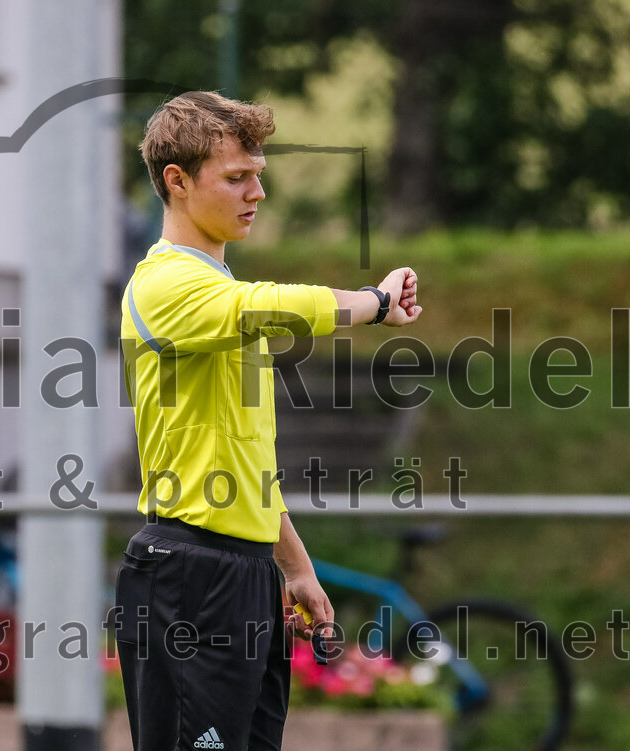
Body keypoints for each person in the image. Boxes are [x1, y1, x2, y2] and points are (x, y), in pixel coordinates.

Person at [116, 91, 421, 751]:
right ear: (177, 181)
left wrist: (295, 566)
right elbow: (272, 305)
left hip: (245, 572)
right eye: (236, 177)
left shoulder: (220, 296)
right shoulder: (165, 285)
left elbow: (244, 462)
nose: (257, 191)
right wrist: (374, 301)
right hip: (189, 573)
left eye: (258, 173)